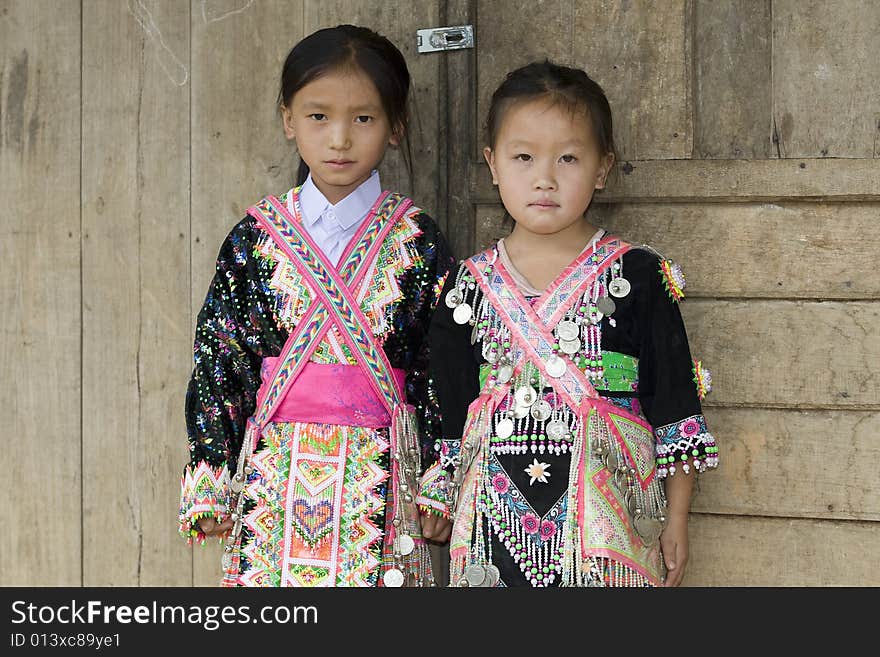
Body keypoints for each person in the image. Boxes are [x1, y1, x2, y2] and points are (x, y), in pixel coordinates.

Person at [178, 24, 455, 587]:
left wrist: (439, 478)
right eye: (318, 116)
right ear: (288, 120)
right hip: (273, 480)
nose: (339, 140)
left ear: (396, 127)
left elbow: (439, 367)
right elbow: (220, 357)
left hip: (383, 479)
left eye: (363, 118)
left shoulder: (419, 240)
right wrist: (210, 472)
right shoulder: (254, 238)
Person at [430, 60, 718, 588]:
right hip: (490, 528)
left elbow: (675, 403)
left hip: (608, 527)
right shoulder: (466, 287)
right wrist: (440, 492)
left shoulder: (638, 276)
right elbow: (450, 410)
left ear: (602, 168)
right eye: (523, 157)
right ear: (492, 165)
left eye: (568, 158)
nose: (544, 178)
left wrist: (676, 518)